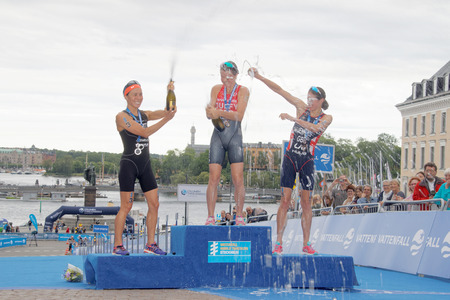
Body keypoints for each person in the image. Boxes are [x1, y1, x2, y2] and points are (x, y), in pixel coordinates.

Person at [250, 67, 332, 255]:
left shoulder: (326, 117)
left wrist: (292, 118)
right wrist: (260, 76)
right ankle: (278, 242)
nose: (309, 102)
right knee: (285, 201)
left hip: (307, 160)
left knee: (306, 202)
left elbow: (316, 129)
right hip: (290, 158)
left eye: (313, 100)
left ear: (321, 101)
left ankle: (306, 243)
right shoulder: (301, 106)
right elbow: (280, 91)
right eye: (308, 99)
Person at [113, 80, 176, 256]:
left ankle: (150, 244)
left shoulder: (144, 114)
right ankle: (117, 245)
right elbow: (144, 132)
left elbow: (168, 111)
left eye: (140, 94)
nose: (138, 98)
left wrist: (170, 92)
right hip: (129, 164)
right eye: (135, 94)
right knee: (126, 205)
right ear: (126, 96)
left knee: (155, 204)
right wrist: (166, 120)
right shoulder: (122, 117)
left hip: (145, 164)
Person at [205, 61, 250, 226]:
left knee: (238, 179)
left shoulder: (243, 90)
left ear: (236, 75)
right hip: (218, 134)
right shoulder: (216, 89)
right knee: (213, 178)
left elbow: (239, 115)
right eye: (222, 76)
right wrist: (209, 112)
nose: (225, 80)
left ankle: (239, 215)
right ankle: (210, 217)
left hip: (235, 137)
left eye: (228, 77)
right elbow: (210, 110)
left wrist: (219, 112)